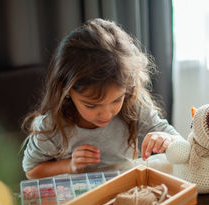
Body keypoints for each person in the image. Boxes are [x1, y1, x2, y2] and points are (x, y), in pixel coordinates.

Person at [22, 18, 181, 179]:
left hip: (124, 187)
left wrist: (167, 139)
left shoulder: (132, 104)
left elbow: (179, 142)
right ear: (67, 90)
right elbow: (32, 171)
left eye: (117, 100)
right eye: (91, 106)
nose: (106, 115)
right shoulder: (52, 125)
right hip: (80, 196)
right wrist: (70, 165)